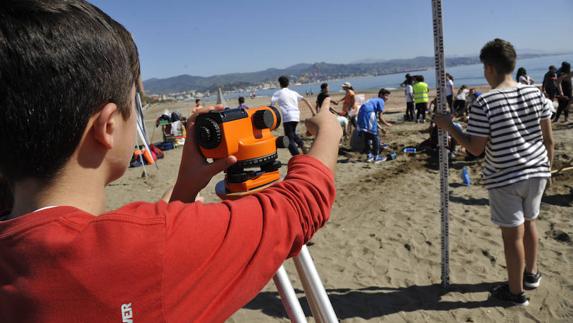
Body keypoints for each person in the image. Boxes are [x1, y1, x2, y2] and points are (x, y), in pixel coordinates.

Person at [0, 2, 343, 322]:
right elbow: (301, 206)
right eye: (132, 102)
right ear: (108, 127)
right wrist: (329, 131)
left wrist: (184, 191)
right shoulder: (145, 248)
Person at [435, 38, 554, 307]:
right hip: (537, 171)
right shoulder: (535, 92)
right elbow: (549, 139)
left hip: (505, 176)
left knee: (512, 235)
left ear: (488, 68)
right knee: (530, 222)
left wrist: (449, 127)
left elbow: (475, 149)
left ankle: (515, 293)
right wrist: (548, 169)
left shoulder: (485, 103)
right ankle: (531, 275)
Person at [270, 75, 316, 156]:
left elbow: (271, 106)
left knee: (288, 139)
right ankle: (302, 145)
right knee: (293, 134)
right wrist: (313, 112)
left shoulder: (277, 93)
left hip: (288, 117)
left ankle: (297, 156)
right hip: (296, 116)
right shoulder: (293, 92)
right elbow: (306, 99)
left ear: (280, 84)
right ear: (288, 83)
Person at [356, 88, 392, 163]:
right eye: (386, 96)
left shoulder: (373, 100)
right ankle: (376, 157)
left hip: (360, 114)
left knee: (367, 135)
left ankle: (369, 156)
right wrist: (387, 124)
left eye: (388, 96)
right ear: (381, 95)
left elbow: (374, 120)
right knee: (375, 136)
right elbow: (380, 118)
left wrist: (381, 128)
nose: (387, 98)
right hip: (368, 113)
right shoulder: (381, 100)